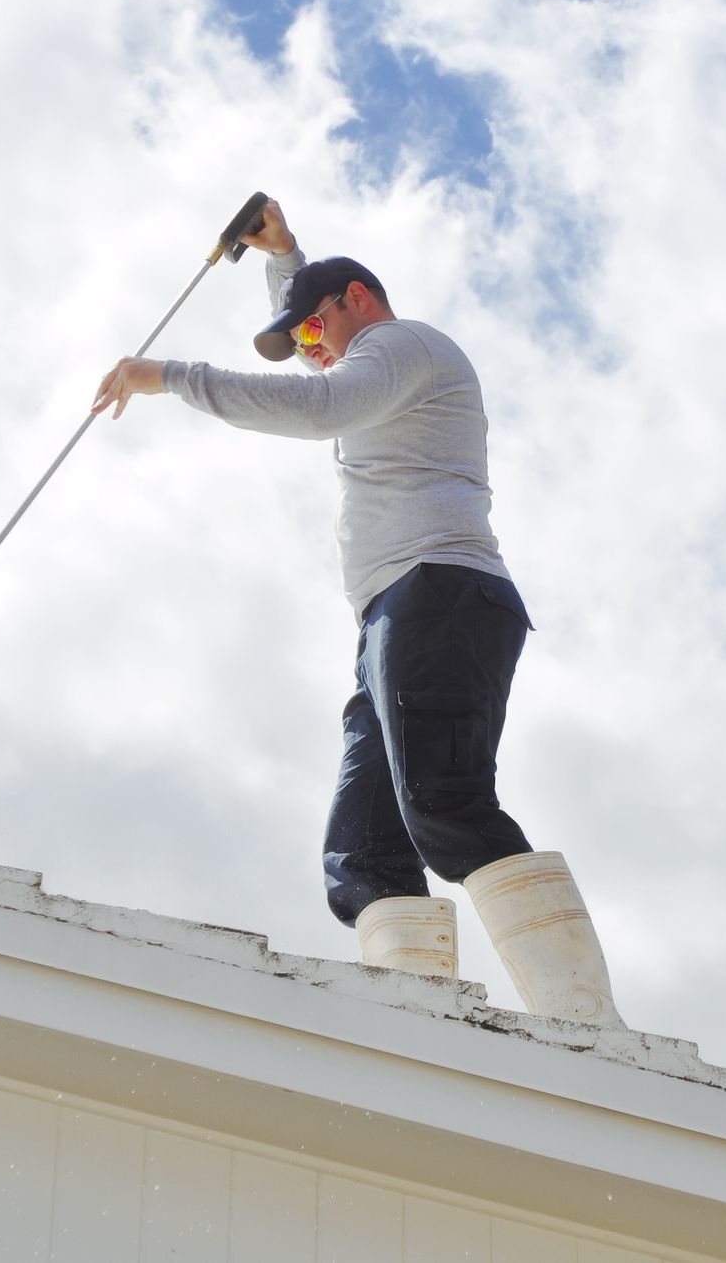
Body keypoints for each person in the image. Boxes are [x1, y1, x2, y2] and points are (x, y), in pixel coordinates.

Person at [91, 199, 623, 1026]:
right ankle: (420, 1026)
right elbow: (321, 374)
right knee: (365, 854)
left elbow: (320, 406)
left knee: (443, 802)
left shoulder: (401, 346)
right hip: (392, 617)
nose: (313, 350)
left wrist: (169, 375)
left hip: (439, 591)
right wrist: (286, 256)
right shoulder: (366, 356)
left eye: (316, 329)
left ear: (361, 302)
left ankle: (588, 1026)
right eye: (301, 340)